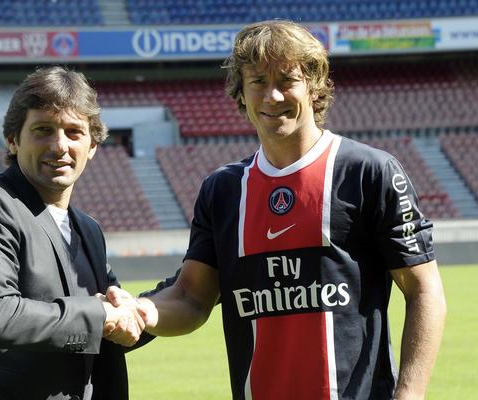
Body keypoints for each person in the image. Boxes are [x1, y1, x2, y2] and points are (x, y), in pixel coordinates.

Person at [106, 20, 447, 399]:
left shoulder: (368, 172)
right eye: (258, 81)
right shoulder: (223, 190)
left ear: (314, 85)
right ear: (241, 92)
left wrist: (409, 395)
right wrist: (143, 312)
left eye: (287, 80)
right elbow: (191, 297)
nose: (272, 96)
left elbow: (424, 289)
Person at [0, 66, 145, 400]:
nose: (60, 145)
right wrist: (102, 314)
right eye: (43, 130)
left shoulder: (89, 229)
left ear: (93, 145)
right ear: (13, 139)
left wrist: (147, 309)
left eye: (74, 132)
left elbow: (110, 322)